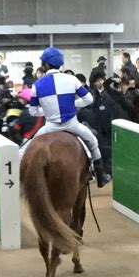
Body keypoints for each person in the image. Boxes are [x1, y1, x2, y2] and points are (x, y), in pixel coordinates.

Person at [26, 47, 108, 188]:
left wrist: (47, 111)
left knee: (28, 149)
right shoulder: (72, 79)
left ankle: (24, 178)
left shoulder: (36, 85)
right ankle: (101, 176)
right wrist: (73, 103)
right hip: (72, 124)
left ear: (45, 65)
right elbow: (89, 99)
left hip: (50, 127)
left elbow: (33, 112)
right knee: (93, 142)